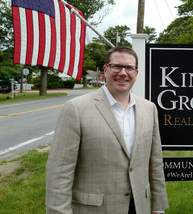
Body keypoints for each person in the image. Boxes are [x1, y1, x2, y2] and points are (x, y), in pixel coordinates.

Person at [46, 46, 168, 214]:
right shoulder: (75, 108)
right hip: (95, 209)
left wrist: (159, 207)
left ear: (136, 73)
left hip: (139, 207)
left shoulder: (149, 108)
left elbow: (155, 163)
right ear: (106, 69)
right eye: (117, 66)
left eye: (129, 68)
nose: (123, 73)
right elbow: (59, 171)